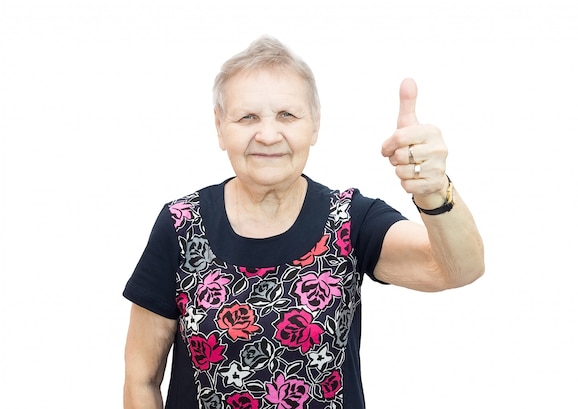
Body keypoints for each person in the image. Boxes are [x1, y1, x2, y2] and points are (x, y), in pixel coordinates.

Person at [122, 36, 484, 409]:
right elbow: (140, 379)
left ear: (314, 126)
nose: (266, 134)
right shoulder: (181, 225)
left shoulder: (351, 221)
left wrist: (435, 193)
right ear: (220, 127)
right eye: (247, 117)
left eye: (287, 115)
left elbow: (458, 269)